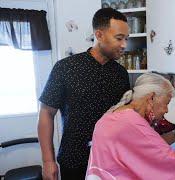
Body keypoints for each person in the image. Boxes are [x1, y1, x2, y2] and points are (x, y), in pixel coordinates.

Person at [37, 8, 130, 180]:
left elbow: (124, 117)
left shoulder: (121, 74)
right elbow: (46, 113)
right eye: (119, 38)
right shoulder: (65, 68)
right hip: (74, 160)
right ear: (99, 34)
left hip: (111, 161)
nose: (124, 44)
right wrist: (47, 161)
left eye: (126, 39)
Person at [86, 73, 175, 180]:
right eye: (166, 103)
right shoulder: (132, 122)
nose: (167, 110)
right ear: (151, 98)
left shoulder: (116, 114)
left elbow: (151, 146)